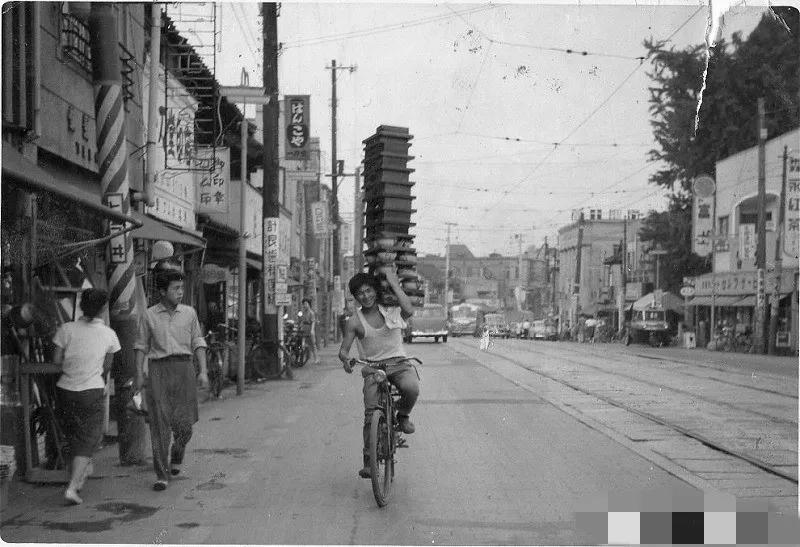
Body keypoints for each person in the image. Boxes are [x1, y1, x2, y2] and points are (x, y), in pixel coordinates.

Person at [339, 269, 419, 479]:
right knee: (370, 414)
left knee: (412, 388)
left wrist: (393, 282)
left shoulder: (390, 310)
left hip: (399, 363)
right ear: (355, 298)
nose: (366, 296)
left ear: (375, 290)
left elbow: (409, 310)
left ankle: (402, 417)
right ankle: (369, 460)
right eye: (360, 294)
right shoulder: (354, 321)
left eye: (368, 291)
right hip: (374, 368)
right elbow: (344, 349)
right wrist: (345, 359)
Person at [134, 270, 208, 492]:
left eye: (182, 288)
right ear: (162, 291)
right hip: (158, 371)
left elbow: (198, 341)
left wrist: (203, 370)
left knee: (185, 426)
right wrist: (139, 372)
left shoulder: (189, 313)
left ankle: (177, 452)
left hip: (184, 369)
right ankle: (161, 474)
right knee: (159, 424)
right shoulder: (149, 315)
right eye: (176, 289)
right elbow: (140, 346)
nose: (180, 293)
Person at [52, 289, 121, 505]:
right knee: (87, 438)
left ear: (81, 306)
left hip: (65, 389)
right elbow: (107, 366)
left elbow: (56, 361)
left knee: (74, 435)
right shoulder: (109, 334)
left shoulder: (66, 329)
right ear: (102, 309)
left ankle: (81, 473)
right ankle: (72, 488)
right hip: (91, 391)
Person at [299, 298, 319, 364]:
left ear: (309, 304)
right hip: (304, 329)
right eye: (303, 304)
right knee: (303, 344)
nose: (304, 305)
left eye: (305, 304)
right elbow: (301, 321)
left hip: (309, 328)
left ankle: (316, 359)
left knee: (313, 344)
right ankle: (306, 358)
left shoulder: (311, 313)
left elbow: (313, 322)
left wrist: (312, 330)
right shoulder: (303, 312)